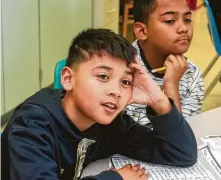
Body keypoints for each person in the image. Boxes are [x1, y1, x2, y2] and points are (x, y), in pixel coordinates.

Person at [1, 28, 197, 180]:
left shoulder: (111, 124)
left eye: (126, 82)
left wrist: (159, 100)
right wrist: (116, 178)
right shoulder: (32, 125)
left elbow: (181, 154)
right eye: (103, 76)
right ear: (68, 79)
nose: (116, 91)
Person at [126, 0, 204, 125]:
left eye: (187, 20)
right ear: (142, 31)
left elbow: (180, 139)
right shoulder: (121, 68)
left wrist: (171, 85)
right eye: (169, 21)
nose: (184, 28)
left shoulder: (192, 74)